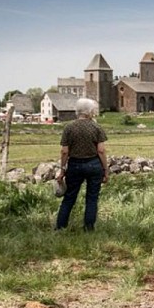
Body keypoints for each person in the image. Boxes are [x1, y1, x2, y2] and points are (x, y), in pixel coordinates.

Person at [55, 98, 109, 231]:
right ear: (90, 112)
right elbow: (101, 150)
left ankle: (60, 227)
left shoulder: (69, 127)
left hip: (74, 165)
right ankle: (88, 228)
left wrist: (62, 170)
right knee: (92, 198)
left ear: (77, 111)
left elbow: (64, 151)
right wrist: (105, 170)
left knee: (69, 198)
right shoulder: (96, 127)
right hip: (93, 164)